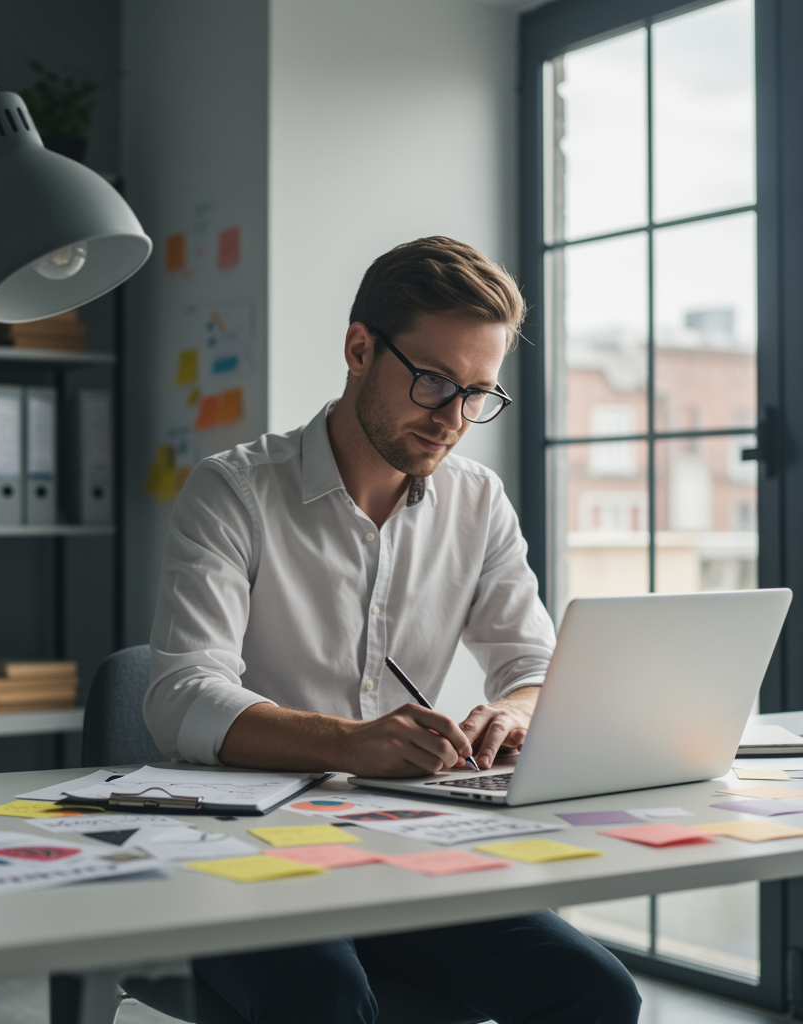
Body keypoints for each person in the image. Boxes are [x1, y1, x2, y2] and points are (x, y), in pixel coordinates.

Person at [146, 237, 641, 1023]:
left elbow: (535, 665)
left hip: (407, 848)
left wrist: (510, 713)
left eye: (478, 394)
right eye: (435, 382)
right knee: (325, 1001)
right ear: (358, 348)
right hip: (252, 852)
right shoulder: (233, 491)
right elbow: (179, 696)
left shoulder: (478, 502)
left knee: (595, 991)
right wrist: (348, 743)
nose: (453, 419)